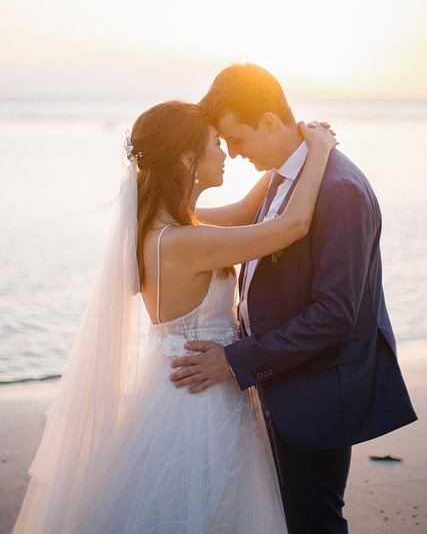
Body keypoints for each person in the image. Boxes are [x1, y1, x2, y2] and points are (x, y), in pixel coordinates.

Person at [13, 100, 336, 534]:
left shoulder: (162, 230)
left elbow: (242, 213)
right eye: (216, 144)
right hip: (200, 399)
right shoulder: (187, 241)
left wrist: (283, 159)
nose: (227, 154)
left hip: (177, 385)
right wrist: (319, 150)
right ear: (188, 159)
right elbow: (292, 226)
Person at [170, 65, 418, 534]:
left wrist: (233, 361)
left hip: (316, 392)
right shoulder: (289, 173)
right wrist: (160, 222)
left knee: (313, 520)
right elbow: (245, 221)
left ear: (268, 121)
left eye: (236, 138)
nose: (234, 153)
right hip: (283, 379)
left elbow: (335, 314)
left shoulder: (338, 189)